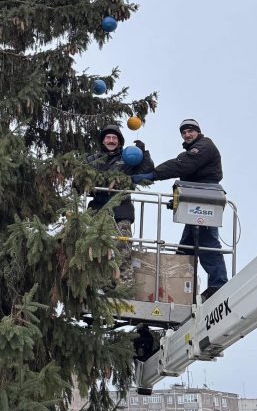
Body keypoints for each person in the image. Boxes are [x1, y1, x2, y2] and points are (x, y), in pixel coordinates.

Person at [132, 118, 228, 300]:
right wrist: (177, 200)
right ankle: (179, 291)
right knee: (186, 249)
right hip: (194, 199)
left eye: (190, 131)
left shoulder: (204, 146)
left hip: (205, 198)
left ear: (198, 132)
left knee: (207, 243)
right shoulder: (193, 151)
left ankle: (218, 285)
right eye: (184, 132)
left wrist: (154, 175)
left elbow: (181, 165)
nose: (187, 134)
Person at [86, 124, 155, 285]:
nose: (111, 141)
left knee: (123, 251)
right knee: (96, 250)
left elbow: (147, 171)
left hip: (121, 211)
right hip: (97, 210)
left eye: (114, 138)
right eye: (108, 137)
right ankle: (99, 287)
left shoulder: (127, 158)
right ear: (102, 140)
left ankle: (126, 290)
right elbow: (82, 179)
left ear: (119, 141)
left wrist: (143, 153)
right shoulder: (92, 160)